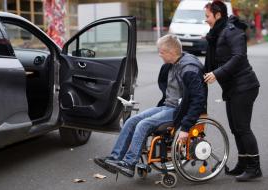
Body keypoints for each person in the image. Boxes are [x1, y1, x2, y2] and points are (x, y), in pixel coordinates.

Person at [94, 34, 207, 178]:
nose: (159, 54)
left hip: (179, 111)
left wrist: (185, 127)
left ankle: (129, 163)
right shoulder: (172, 64)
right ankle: (115, 158)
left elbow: (198, 100)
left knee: (143, 124)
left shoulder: (189, 69)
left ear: (171, 52)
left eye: (161, 51)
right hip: (168, 106)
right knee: (132, 121)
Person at [204, 0, 261, 182]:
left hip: (244, 86)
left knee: (243, 128)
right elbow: (214, 61)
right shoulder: (217, 33)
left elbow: (239, 56)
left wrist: (217, 73)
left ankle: (254, 167)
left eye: (207, 16)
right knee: (236, 129)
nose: (205, 20)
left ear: (218, 14)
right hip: (233, 87)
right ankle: (243, 164)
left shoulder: (232, 31)